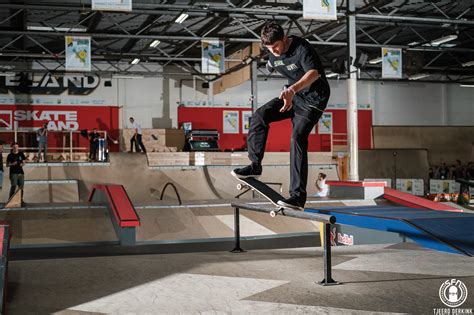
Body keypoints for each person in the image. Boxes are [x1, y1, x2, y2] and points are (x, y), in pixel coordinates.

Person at [231, 22, 330, 210]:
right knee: (260, 115)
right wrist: (287, 91)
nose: (274, 51)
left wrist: (292, 89)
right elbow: (272, 63)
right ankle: (255, 165)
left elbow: (313, 73)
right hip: (292, 97)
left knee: (297, 138)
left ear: (285, 39)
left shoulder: (302, 48)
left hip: (314, 100)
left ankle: (298, 197)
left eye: (276, 46)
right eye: (269, 48)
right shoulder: (272, 56)